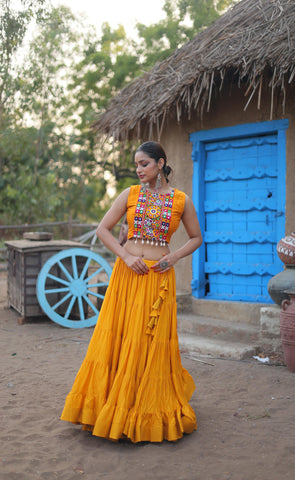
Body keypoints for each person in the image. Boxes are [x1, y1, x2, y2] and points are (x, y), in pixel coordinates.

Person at [61, 141, 202, 443]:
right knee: (120, 337)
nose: (138, 170)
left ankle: (142, 409)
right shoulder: (130, 194)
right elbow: (103, 229)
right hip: (127, 275)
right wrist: (125, 257)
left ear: (160, 163)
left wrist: (173, 257)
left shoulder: (181, 200)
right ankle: (112, 407)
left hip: (157, 278)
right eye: (136, 165)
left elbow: (196, 237)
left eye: (144, 164)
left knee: (148, 343)